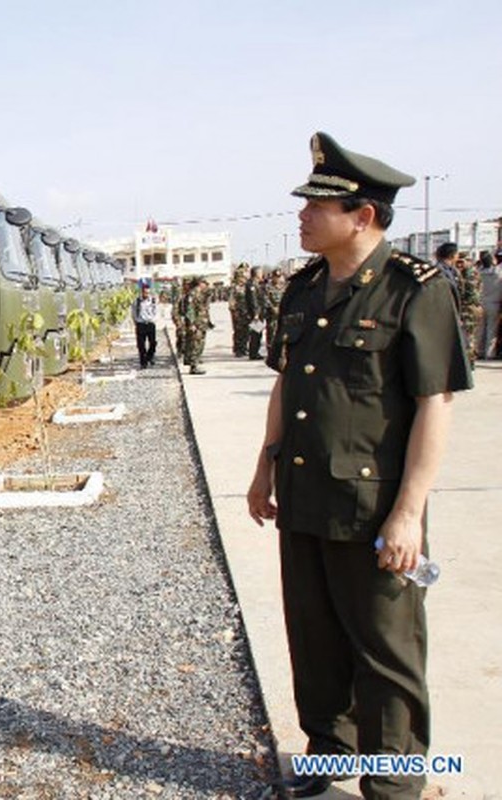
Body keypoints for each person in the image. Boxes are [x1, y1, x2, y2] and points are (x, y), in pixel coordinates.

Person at [246, 132, 471, 800]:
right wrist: (263, 470)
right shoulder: (303, 288)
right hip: (304, 494)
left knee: (385, 652)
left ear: (362, 216)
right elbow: (287, 383)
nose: (302, 215)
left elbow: (434, 404)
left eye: (318, 206)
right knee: (313, 639)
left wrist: (408, 514)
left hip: (373, 508)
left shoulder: (413, 290)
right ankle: (327, 753)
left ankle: (395, 785)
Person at [180, 277, 211, 374]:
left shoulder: (200, 293)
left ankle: (195, 362)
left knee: (199, 343)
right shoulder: (192, 294)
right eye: (204, 283)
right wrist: (191, 323)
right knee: (195, 344)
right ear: (199, 283)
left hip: (201, 323)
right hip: (196, 324)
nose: (205, 285)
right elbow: (189, 309)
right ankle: (193, 366)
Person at [131, 280, 158, 367]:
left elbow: (156, 311)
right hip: (141, 324)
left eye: (148, 293)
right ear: (142, 292)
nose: (146, 294)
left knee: (153, 343)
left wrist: (153, 319)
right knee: (141, 345)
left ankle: (149, 356)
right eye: (145, 293)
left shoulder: (153, 301)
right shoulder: (137, 301)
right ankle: (143, 362)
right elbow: (133, 313)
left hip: (150, 324)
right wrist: (136, 321)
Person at [479, 250, 501, 359]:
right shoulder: (498, 273)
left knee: (480, 329)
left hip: (480, 302)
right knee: (491, 329)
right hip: (494, 303)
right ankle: (489, 353)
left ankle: (479, 351)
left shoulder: (478, 272)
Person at [245, 266, 266, 359]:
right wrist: (256, 314)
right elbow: (253, 300)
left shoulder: (257, 283)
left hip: (259, 312)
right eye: (260, 272)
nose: (262, 274)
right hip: (255, 314)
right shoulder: (252, 285)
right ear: (256, 273)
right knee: (256, 333)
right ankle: (253, 353)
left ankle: (255, 352)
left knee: (258, 333)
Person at [229, 263, 250, 356]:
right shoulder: (235, 287)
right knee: (238, 330)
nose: (244, 277)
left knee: (246, 330)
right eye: (242, 276)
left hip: (246, 311)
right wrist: (234, 311)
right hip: (238, 311)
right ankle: (238, 349)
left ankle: (244, 347)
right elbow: (231, 300)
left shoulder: (246, 286)